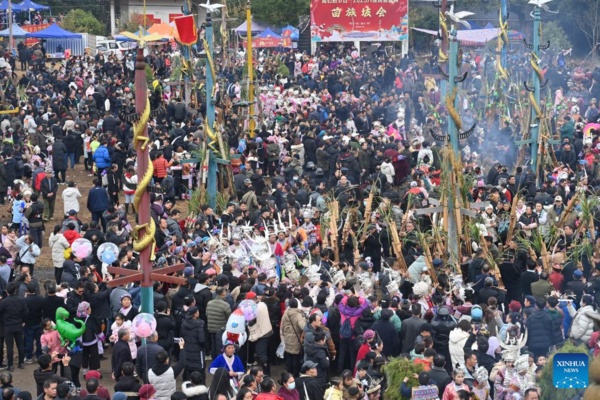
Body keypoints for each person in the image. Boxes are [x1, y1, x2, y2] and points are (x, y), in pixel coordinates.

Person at [0, 282, 28, 371]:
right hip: (18, 324)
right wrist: (23, 320)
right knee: (20, 345)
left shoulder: (4, 302)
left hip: (8, 326)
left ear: (7, 291)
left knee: (9, 346)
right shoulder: (20, 300)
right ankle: (21, 363)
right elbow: (26, 311)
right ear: (15, 290)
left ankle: (10, 365)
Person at [180, 307, 206, 382]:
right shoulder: (199, 325)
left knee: (188, 371)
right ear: (195, 314)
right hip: (198, 352)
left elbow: (181, 336)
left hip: (187, 350)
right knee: (200, 372)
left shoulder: (184, 323)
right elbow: (201, 340)